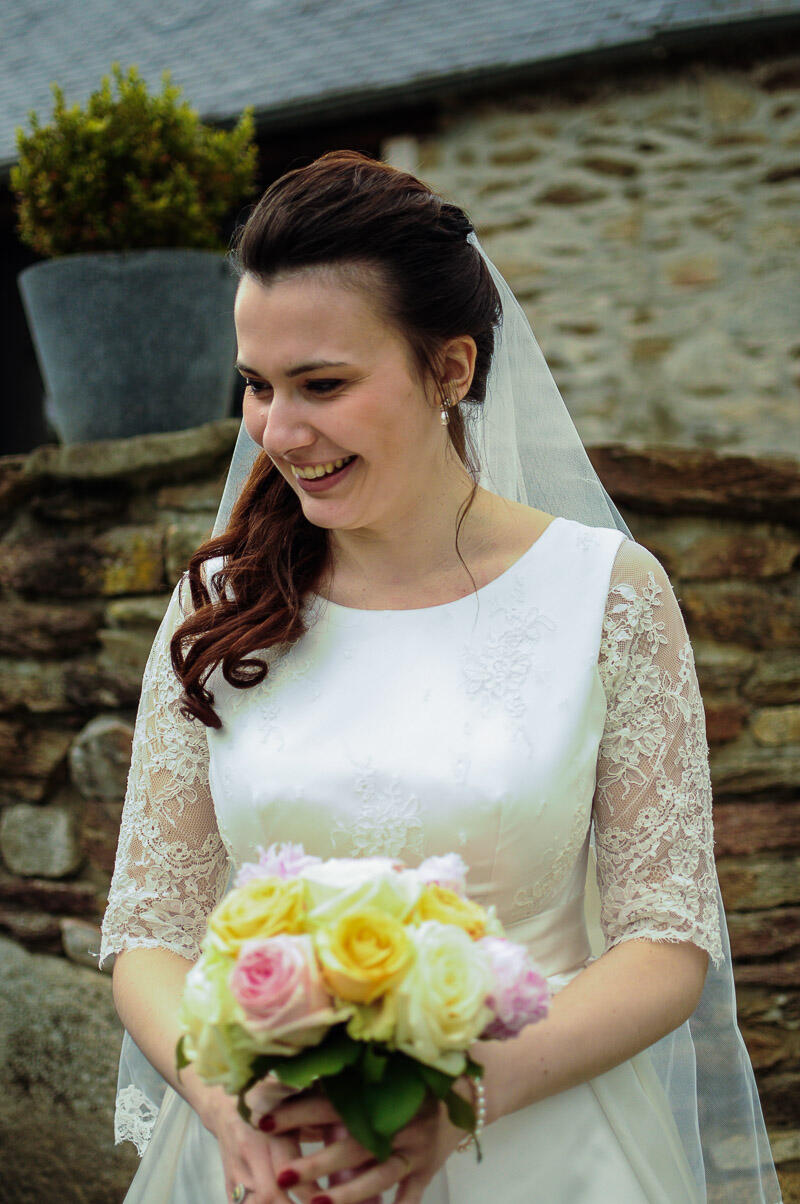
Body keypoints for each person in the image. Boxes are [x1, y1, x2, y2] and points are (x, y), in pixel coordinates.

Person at [99, 150, 781, 1204]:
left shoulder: (607, 594)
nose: (279, 431)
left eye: (322, 384)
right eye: (257, 385)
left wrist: (451, 1101)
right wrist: (228, 1107)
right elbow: (149, 928)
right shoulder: (218, 608)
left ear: (450, 369)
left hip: (543, 1149)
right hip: (266, 1158)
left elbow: (665, 942)